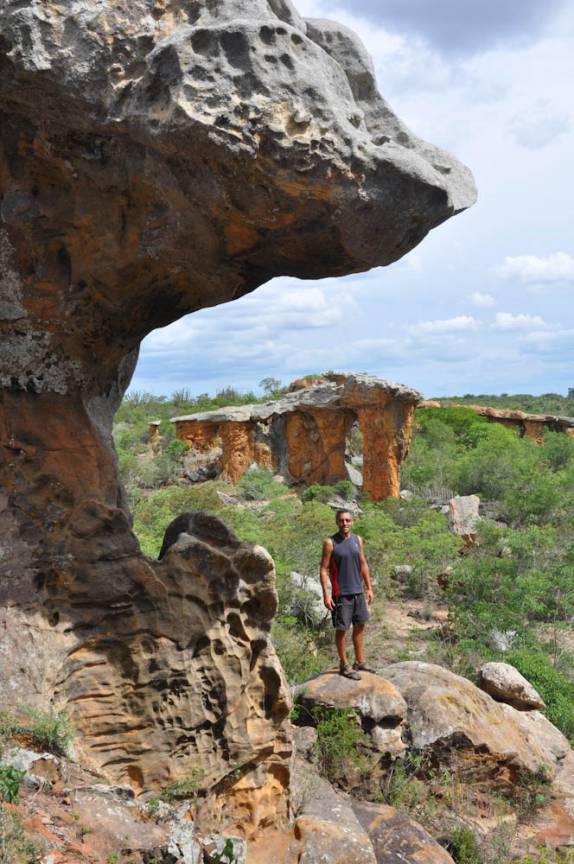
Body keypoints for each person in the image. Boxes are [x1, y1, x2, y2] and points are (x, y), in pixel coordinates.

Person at [319, 509, 374, 680]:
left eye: (348, 520)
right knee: (342, 629)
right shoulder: (330, 542)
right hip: (340, 594)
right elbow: (323, 568)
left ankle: (360, 661)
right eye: (341, 520)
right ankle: (344, 665)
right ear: (337, 522)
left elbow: (363, 564)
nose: (345, 523)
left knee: (360, 626)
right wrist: (326, 594)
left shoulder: (358, 540)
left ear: (352, 522)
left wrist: (369, 587)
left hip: (357, 591)